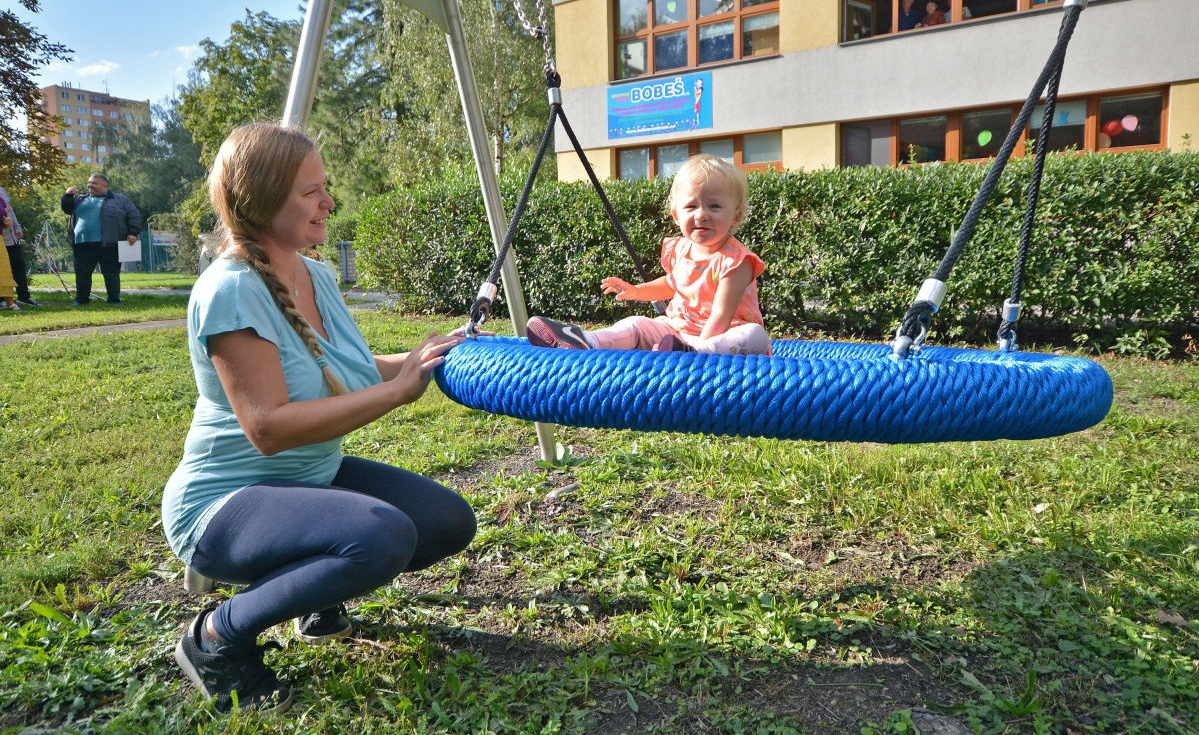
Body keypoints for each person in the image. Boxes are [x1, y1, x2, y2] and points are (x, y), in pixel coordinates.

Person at [162, 123, 476, 714]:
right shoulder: (230, 290)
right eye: (312, 191)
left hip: (307, 484)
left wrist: (416, 360)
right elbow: (269, 427)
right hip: (225, 504)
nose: (329, 202)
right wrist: (396, 394)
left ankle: (307, 589)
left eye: (325, 188)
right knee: (382, 535)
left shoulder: (316, 274)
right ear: (262, 198)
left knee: (446, 519)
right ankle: (215, 636)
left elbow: (347, 369)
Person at [526, 154, 770, 356]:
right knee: (636, 324)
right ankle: (584, 340)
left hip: (724, 335)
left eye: (714, 206)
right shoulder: (681, 249)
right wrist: (636, 291)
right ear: (676, 214)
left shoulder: (735, 261)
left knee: (753, 335)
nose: (702, 214)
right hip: (679, 331)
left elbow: (721, 315)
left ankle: (693, 353)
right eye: (691, 206)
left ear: (736, 216)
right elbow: (671, 284)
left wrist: (700, 347)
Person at [60, 173, 142, 305]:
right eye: (89, 182)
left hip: (109, 244)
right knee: (82, 274)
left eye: (94, 183)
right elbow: (67, 208)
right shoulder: (80, 199)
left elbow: (135, 216)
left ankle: (114, 300)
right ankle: (81, 300)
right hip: (82, 243)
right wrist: (68, 196)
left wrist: (133, 232)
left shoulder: (120, 200)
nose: (90, 185)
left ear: (104, 186)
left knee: (111, 273)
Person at [0, 187, 34, 306]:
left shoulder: (2, 190)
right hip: (0, 238)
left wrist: (17, 227)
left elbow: (9, 210)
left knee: (18, 266)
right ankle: (2, 299)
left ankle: (23, 296)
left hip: (10, 238)